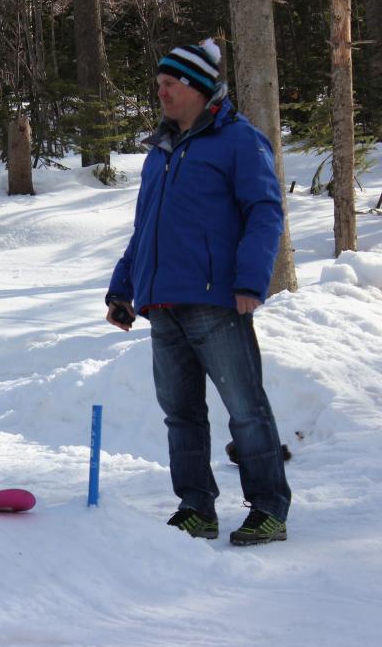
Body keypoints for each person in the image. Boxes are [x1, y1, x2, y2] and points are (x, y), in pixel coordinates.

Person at [105, 39, 291, 546]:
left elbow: (264, 211)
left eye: (170, 84)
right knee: (181, 413)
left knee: (246, 408)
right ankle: (195, 507)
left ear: (198, 88)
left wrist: (252, 281)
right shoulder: (159, 151)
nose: (160, 92)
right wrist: (124, 288)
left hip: (216, 301)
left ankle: (270, 508)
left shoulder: (239, 141)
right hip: (162, 304)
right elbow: (146, 228)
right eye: (159, 84)